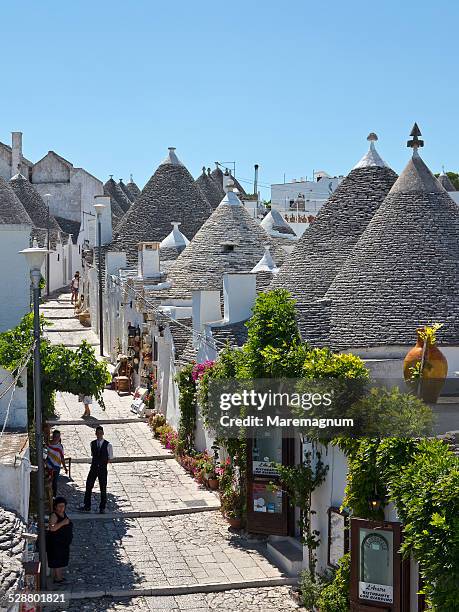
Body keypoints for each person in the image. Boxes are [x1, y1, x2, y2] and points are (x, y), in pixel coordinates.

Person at [79, 426, 113, 514]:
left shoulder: (108, 445)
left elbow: (110, 458)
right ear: (96, 434)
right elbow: (93, 454)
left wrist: (102, 464)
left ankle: (102, 507)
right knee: (88, 485)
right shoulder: (92, 443)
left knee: (103, 487)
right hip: (93, 468)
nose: (99, 435)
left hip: (102, 469)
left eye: (100, 433)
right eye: (97, 433)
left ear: (103, 433)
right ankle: (87, 506)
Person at [46, 496, 73, 583]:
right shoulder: (54, 515)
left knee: (61, 560)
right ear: (55, 506)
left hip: (63, 542)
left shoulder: (63, 514)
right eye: (60, 506)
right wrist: (63, 523)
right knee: (57, 560)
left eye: (63, 506)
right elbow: (52, 528)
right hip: (56, 542)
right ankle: (58, 578)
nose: (62, 508)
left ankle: (58, 576)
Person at [46, 430, 68, 498]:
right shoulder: (48, 444)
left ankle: (54, 496)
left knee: (55, 482)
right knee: (48, 481)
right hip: (49, 465)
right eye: (55, 436)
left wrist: (65, 467)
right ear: (53, 436)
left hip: (56, 466)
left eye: (58, 437)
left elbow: (62, 457)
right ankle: (48, 495)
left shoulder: (60, 447)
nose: (56, 438)